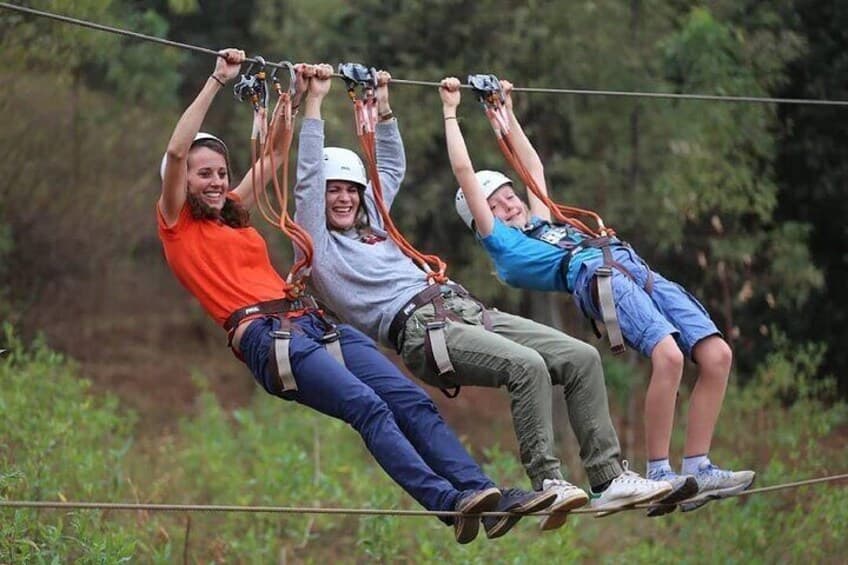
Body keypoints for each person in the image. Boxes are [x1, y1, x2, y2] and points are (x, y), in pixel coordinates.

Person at [156, 49, 536, 545]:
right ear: (184, 181)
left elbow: (272, 157)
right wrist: (216, 81)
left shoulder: (232, 213)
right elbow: (177, 151)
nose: (216, 182)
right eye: (204, 175)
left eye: (222, 174)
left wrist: (297, 98)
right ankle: (447, 504)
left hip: (311, 321)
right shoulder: (175, 223)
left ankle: (478, 492)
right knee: (367, 406)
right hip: (266, 337)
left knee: (409, 400)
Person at [293, 64, 672, 532]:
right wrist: (314, 104)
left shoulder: (377, 228)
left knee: (580, 358)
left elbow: (389, 166)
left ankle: (607, 477)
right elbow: (308, 179)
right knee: (526, 366)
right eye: (334, 192)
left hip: (464, 308)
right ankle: (549, 480)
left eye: (351, 190)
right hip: (421, 329)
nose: (344, 199)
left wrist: (385, 107)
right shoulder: (317, 246)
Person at [439, 76, 756, 514]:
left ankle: (698, 464)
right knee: (670, 357)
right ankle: (661, 471)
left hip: (635, 268)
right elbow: (464, 174)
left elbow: (533, 166)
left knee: (717, 355)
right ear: (481, 218)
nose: (509, 204)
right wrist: (451, 111)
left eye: (510, 195)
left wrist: (504, 111)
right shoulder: (504, 246)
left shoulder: (542, 220)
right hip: (597, 277)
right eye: (495, 203)